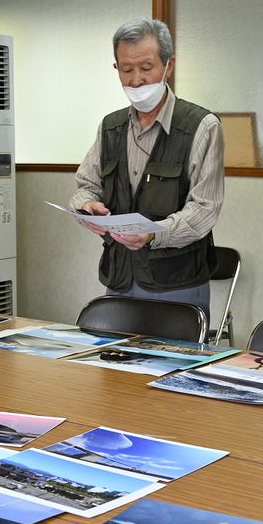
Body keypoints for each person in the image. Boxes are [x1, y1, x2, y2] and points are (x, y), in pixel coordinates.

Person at [71, 18, 224, 320]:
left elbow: (205, 209)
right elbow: (86, 186)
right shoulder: (111, 127)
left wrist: (155, 235)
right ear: (116, 68)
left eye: (146, 67)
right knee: (113, 366)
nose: (137, 80)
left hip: (177, 283)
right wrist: (86, 207)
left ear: (169, 65)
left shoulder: (201, 126)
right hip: (120, 279)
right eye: (126, 70)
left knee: (173, 366)